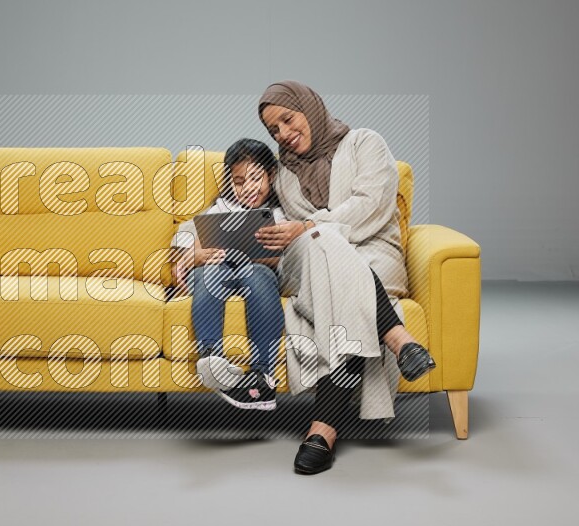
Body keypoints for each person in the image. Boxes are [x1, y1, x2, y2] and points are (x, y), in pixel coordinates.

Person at [255, 80, 436, 474]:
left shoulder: (365, 143)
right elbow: (246, 210)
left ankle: (323, 429)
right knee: (323, 245)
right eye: (274, 131)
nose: (283, 134)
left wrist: (309, 227)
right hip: (308, 264)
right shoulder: (281, 173)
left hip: (372, 251)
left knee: (337, 277)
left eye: (287, 119)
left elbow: (370, 206)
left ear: (309, 107)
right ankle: (397, 337)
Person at [172, 139, 285, 410]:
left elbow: (276, 256)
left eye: (256, 178)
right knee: (207, 274)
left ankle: (262, 373)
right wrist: (197, 255)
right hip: (218, 269)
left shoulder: (277, 214)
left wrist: (240, 249)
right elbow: (199, 242)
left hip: (256, 271)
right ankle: (212, 357)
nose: (248, 188)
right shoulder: (222, 207)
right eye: (238, 181)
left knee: (259, 275)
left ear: (271, 175)